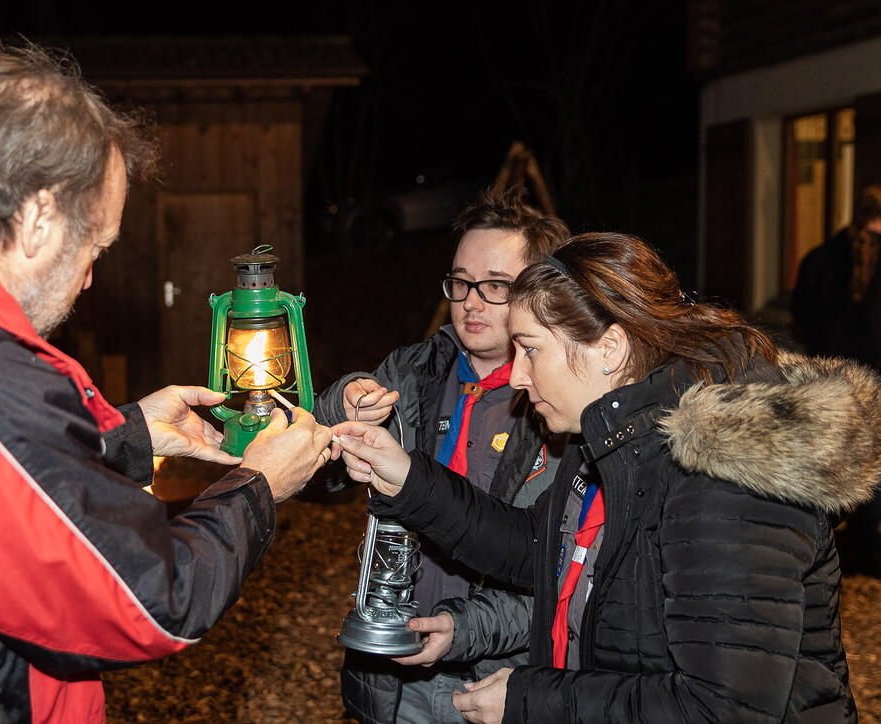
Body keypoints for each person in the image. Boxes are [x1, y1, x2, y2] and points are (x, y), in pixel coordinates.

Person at [0, 41, 335, 722]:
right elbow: (149, 600)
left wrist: (127, 436)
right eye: (95, 246)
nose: (88, 278)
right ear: (38, 218)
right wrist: (257, 486)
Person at [336, 232, 877, 723]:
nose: (518, 377)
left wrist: (531, 699)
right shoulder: (608, 437)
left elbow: (721, 709)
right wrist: (405, 475)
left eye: (531, 349)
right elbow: (534, 547)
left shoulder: (724, 473)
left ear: (610, 349)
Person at [313, 186, 570, 724]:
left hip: (492, 680)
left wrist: (463, 631)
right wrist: (344, 402)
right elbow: (318, 474)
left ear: (541, 294)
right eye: (461, 281)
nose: (471, 301)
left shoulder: (560, 406)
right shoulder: (410, 370)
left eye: (496, 286)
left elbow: (557, 575)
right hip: (388, 673)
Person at [793, 184, 881, 576]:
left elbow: (802, 318)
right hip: (875, 380)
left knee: (842, 458)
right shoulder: (827, 260)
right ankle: (868, 545)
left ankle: (838, 539)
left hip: (832, 381)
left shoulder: (818, 258)